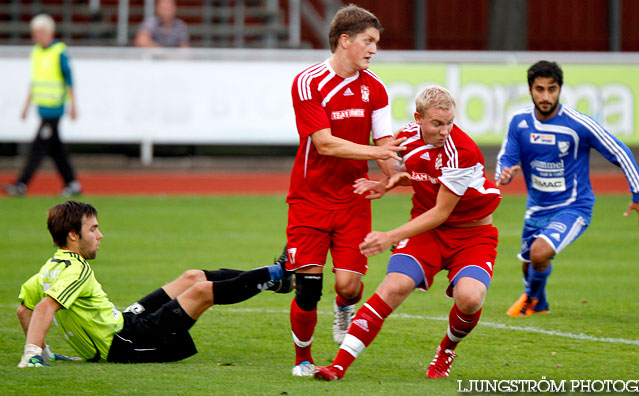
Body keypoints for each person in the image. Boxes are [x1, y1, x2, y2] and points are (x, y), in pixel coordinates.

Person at [314, 86, 502, 381]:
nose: (445, 130)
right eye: (437, 123)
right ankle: (337, 367)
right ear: (419, 118)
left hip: (472, 236)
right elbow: (417, 174)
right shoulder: (408, 137)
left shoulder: (462, 151)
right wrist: (389, 181)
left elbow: (441, 211)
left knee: (469, 298)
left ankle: (446, 351)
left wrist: (389, 236)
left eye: (450, 122)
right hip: (428, 233)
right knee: (393, 288)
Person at [17, 200, 292, 367]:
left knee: (192, 277)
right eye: (93, 229)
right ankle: (278, 272)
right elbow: (43, 308)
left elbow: (24, 310)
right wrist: (33, 355)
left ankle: (276, 280)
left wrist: (47, 353)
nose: (100, 235)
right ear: (73, 236)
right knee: (201, 292)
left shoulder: (48, 269)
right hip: (123, 343)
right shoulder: (75, 270)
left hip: (125, 323)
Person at [283, 4, 405, 377]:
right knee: (307, 285)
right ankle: (302, 358)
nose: (373, 49)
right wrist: (378, 152)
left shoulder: (377, 89)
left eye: (376, 43)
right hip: (310, 198)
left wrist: (401, 175)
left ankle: (343, 306)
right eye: (368, 41)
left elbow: (387, 146)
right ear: (344, 40)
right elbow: (324, 144)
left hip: (353, 199)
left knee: (350, 287)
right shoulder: (309, 82)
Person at [495, 60, 639, 317]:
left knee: (539, 253)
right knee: (530, 263)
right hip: (536, 209)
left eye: (552, 89)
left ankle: (530, 301)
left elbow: (619, 151)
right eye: (540, 89)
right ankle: (540, 304)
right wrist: (504, 174)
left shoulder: (578, 124)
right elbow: (506, 159)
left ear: (560, 89)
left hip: (573, 207)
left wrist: (638, 193)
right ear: (530, 90)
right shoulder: (519, 123)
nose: (546, 96)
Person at [3, 14, 81, 197]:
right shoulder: (36, 52)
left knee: (38, 148)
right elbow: (35, 82)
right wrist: (26, 106)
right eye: (34, 33)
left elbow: (69, 80)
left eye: (40, 32)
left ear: (49, 32)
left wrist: (73, 106)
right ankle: (72, 183)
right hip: (42, 108)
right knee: (56, 150)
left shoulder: (59, 51)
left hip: (55, 109)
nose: (37, 36)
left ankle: (21, 184)